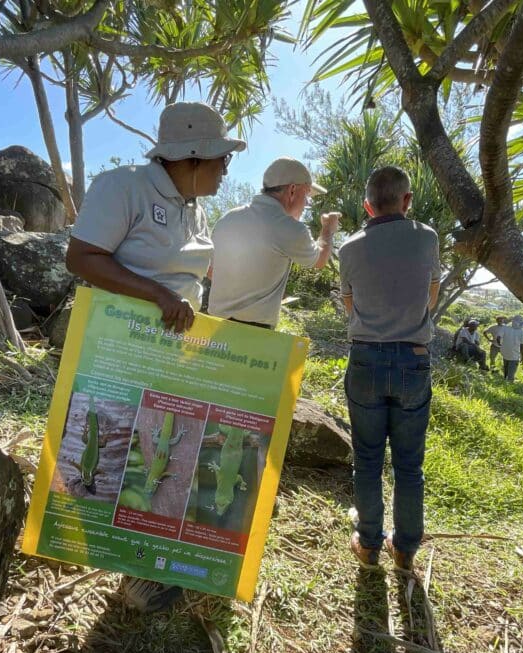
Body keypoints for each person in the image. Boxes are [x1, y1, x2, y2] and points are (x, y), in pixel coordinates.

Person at [65, 101, 245, 611]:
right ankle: (121, 565)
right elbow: (82, 257)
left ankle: (151, 567)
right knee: (115, 455)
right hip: (123, 349)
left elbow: (189, 274)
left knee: (163, 457)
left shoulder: (196, 207)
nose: (225, 169)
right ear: (190, 157)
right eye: (220, 160)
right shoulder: (123, 187)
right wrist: (157, 296)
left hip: (174, 352)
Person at [339, 166, 440, 571]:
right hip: (413, 359)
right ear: (407, 200)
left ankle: (368, 544)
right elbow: (431, 295)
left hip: (365, 357)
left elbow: (350, 305)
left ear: (367, 206)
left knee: (366, 459)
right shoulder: (427, 237)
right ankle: (405, 550)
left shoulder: (349, 247)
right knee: (409, 463)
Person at [209, 157, 341, 328]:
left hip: (212, 327)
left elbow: (211, 270)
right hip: (255, 332)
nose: (307, 203)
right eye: (307, 194)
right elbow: (320, 260)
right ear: (292, 190)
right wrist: (328, 230)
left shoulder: (228, 218)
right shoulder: (289, 228)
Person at [498, 315, 523, 382]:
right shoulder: (522, 332)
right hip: (514, 355)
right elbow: (522, 346)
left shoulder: (505, 328)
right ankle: (509, 384)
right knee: (511, 372)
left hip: (505, 352)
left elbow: (498, 337)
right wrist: (522, 357)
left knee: (506, 367)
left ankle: (505, 379)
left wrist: (500, 344)